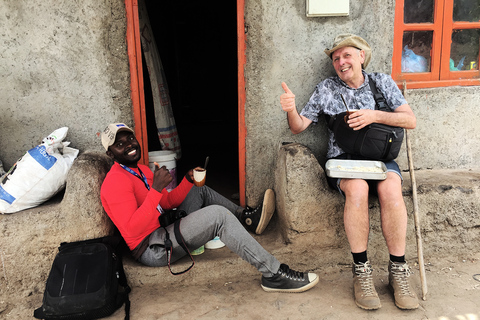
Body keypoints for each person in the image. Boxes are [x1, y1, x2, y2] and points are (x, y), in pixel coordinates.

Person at [279, 34, 418, 309]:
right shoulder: (326, 88)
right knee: (358, 188)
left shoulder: (381, 82)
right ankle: (362, 271)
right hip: (343, 161)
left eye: (346, 55)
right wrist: (291, 109)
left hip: (379, 158)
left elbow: (409, 120)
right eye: (335, 58)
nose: (341, 62)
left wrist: (374, 115)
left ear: (361, 56)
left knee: (391, 188)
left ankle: (398, 271)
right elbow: (298, 127)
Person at [100, 123, 319, 293]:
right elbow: (132, 230)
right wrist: (156, 189)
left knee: (198, 191)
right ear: (110, 154)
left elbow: (167, 204)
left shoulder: (141, 170)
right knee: (218, 216)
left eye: (130, 138)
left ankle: (247, 218)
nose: (129, 145)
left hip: (163, 226)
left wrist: (186, 180)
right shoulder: (114, 183)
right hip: (152, 248)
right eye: (120, 144)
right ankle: (274, 274)